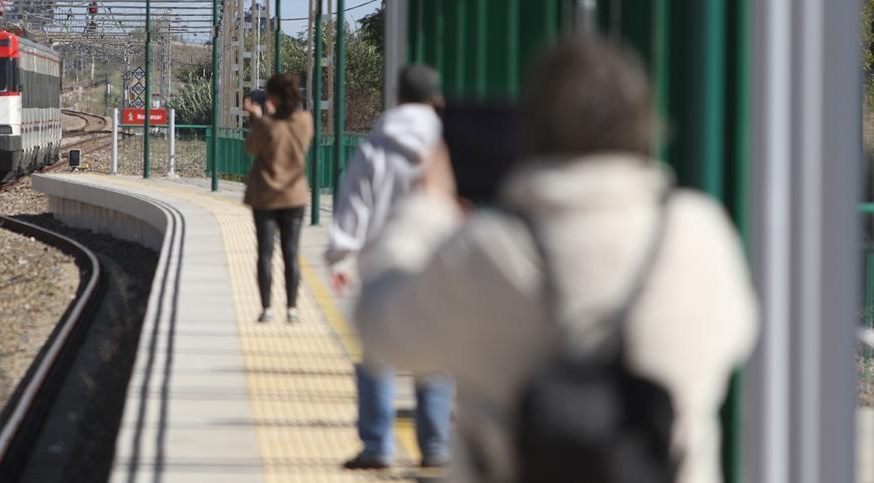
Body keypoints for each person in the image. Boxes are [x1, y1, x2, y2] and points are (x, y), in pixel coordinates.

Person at [354, 37, 759, 483]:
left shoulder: (489, 249)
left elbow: (379, 329)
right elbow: (739, 333)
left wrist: (427, 207)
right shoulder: (696, 233)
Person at [325, 64, 453, 471]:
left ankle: (378, 445)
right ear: (437, 100)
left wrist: (339, 255)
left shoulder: (377, 145)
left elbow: (354, 202)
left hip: (382, 261)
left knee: (378, 350)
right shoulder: (446, 145)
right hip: (438, 260)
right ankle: (435, 445)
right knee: (435, 351)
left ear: (397, 97)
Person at [244, 73, 313, 324]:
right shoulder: (306, 121)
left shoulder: (265, 125)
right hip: (294, 195)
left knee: (265, 253)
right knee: (291, 252)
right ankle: (292, 309)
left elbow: (251, 147)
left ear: (271, 97)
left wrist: (257, 117)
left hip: (265, 196)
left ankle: (267, 309)